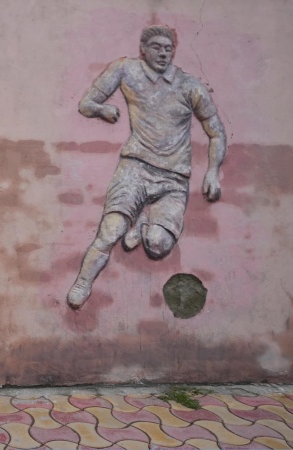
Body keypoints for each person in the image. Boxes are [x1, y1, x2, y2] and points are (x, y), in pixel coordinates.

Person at [67, 25, 227, 310]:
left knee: (159, 244)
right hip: (136, 168)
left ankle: (143, 225)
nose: (163, 53)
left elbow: (216, 131)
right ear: (143, 49)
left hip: (174, 179)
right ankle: (83, 283)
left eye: (168, 48)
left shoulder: (190, 86)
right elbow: (86, 103)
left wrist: (213, 172)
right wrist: (102, 110)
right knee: (110, 231)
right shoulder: (126, 70)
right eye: (156, 47)